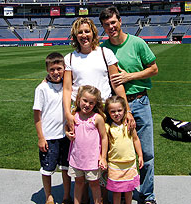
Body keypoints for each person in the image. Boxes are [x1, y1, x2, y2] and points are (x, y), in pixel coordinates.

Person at [99, 6, 159, 204]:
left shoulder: (137, 43)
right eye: (106, 25)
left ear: (120, 21)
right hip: (116, 108)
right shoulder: (104, 50)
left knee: (146, 152)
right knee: (115, 152)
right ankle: (117, 192)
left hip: (140, 102)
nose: (111, 27)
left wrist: (129, 76)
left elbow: (154, 69)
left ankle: (148, 196)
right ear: (103, 27)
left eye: (113, 22)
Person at [63, 17, 135, 133]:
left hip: (104, 109)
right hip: (81, 111)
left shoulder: (105, 53)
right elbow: (67, 89)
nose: (84, 35)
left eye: (87, 31)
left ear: (93, 33)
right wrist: (67, 113)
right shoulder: (69, 58)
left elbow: (116, 84)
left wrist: (127, 110)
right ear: (75, 36)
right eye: (80, 32)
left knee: (107, 147)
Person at [33, 52, 72, 204]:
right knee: (47, 169)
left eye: (59, 69)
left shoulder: (67, 86)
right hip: (49, 137)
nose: (56, 72)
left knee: (66, 168)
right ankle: (48, 196)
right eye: (52, 69)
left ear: (64, 69)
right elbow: (37, 115)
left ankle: (66, 196)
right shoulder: (42, 88)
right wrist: (41, 137)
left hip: (65, 135)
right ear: (47, 70)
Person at [65, 85, 108, 204]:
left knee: (94, 184)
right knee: (78, 183)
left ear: (95, 104)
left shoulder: (97, 118)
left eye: (91, 102)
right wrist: (68, 134)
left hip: (92, 160)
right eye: (85, 100)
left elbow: (104, 138)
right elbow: (67, 129)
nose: (87, 105)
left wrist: (103, 157)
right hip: (76, 158)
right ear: (78, 99)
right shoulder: (74, 116)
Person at [104, 95, 143, 204]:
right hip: (115, 164)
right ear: (108, 112)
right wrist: (103, 158)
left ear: (125, 110)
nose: (116, 114)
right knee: (116, 191)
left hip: (130, 164)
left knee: (128, 189)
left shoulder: (129, 125)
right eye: (113, 111)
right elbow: (104, 145)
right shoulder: (108, 127)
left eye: (119, 110)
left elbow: (136, 140)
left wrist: (140, 155)